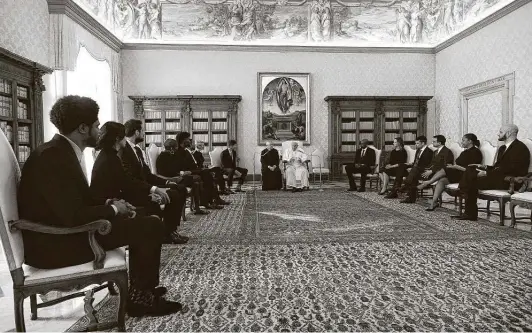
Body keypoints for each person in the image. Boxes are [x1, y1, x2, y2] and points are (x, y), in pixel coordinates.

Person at [18, 96, 182, 317]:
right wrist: (114, 210)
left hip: (63, 235)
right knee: (150, 226)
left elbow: (74, 201)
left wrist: (110, 203)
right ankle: (140, 299)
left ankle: (143, 290)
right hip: (56, 246)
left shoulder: (58, 151)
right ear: (83, 128)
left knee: (145, 221)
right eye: (96, 126)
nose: (99, 131)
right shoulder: (53, 157)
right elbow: (72, 215)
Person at [121, 119, 189, 242]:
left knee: (180, 188)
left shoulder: (137, 150)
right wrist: (154, 189)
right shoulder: (124, 150)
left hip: (145, 184)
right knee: (174, 194)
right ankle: (167, 233)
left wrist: (167, 182)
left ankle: (171, 229)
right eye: (142, 131)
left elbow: (148, 174)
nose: (143, 134)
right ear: (136, 132)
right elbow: (129, 179)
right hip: (136, 190)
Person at [455, 124, 530, 221]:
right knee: (470, 170)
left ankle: (465, 201)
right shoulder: (503, 148)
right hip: (498, 177)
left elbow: (512, 169)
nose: (498, 134)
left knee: (471, 180)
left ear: (509, 133)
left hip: (510, 181)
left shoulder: (520, 148)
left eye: (501, 132)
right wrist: (485, 167)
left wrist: (487, 173)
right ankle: (467, 205)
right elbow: (498, 167)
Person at [418, 133, 483, 211]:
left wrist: (456, 167)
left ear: (470, 141)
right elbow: (458, 162)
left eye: (463, 140)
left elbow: (472, 169)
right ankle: (434, 202)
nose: (462, 142)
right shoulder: (464, 152)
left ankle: (428, 182)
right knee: (442, 180)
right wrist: (454, 166)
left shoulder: (476, 152)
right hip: (458, 173)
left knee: (446, 168)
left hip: (467, 175)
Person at [156, 138, 211, 213]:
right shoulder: (161, 157)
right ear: (172, 148)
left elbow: (178, 166)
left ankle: (198, 207)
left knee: (196, 183)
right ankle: (202, 203)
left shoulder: (171, 155)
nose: (176, 149)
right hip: (170, 179)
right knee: (197, 178)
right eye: (176, 148)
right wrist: (180, 174)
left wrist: (183, 172)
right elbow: (164, 172)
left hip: (177, 177)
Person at [385, 135, 434, 200]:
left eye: (417, 143)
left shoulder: (429, 152)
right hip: (415, 168)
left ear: (423, 143)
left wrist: (413, 168)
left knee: (406, 169)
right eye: (415, 143)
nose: (416, 145)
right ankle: (398, 188)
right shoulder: (418, 150)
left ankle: (400, 187)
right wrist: (410, 165)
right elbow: (415, 162)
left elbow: (426, 165)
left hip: (421, 170)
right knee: (401, 166)